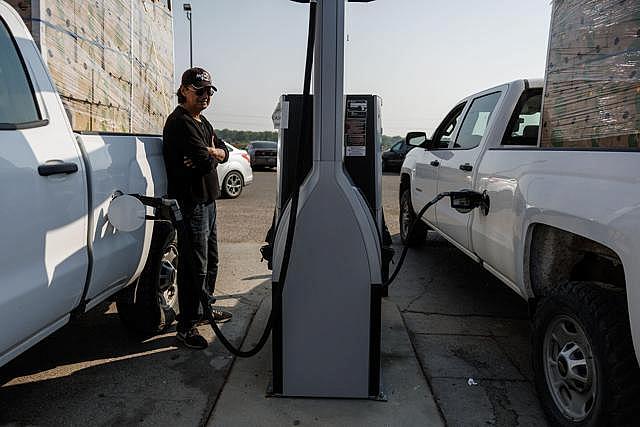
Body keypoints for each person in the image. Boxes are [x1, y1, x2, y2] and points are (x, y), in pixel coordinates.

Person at [163, 67, 233, 350]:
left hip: (208, 201)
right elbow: (203, 161)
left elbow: (222, 152)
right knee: (195, 267)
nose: (205, 96)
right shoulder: (180, 122)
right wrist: (208, 155)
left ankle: (204, 309)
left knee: (211, 261)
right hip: (191, 203)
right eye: (199, 90)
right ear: (183, 91)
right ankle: (187, 326)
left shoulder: (203, 122)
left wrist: (212, 153)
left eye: (208, 91)